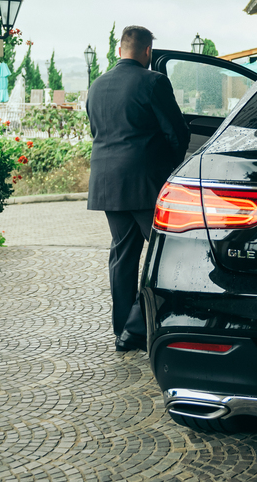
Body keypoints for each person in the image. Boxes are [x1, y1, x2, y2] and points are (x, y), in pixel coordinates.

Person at [85, 25, 188, 352]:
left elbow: (95, 131)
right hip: (146, 184)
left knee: (123, 255)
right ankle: (145, 328)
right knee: (166, 255)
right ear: (148, 52)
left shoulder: (96, 85)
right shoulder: (154, 81)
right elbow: (178, 133)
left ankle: (123, 333)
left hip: (106, 183)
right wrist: (170, 171)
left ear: (120, 49)